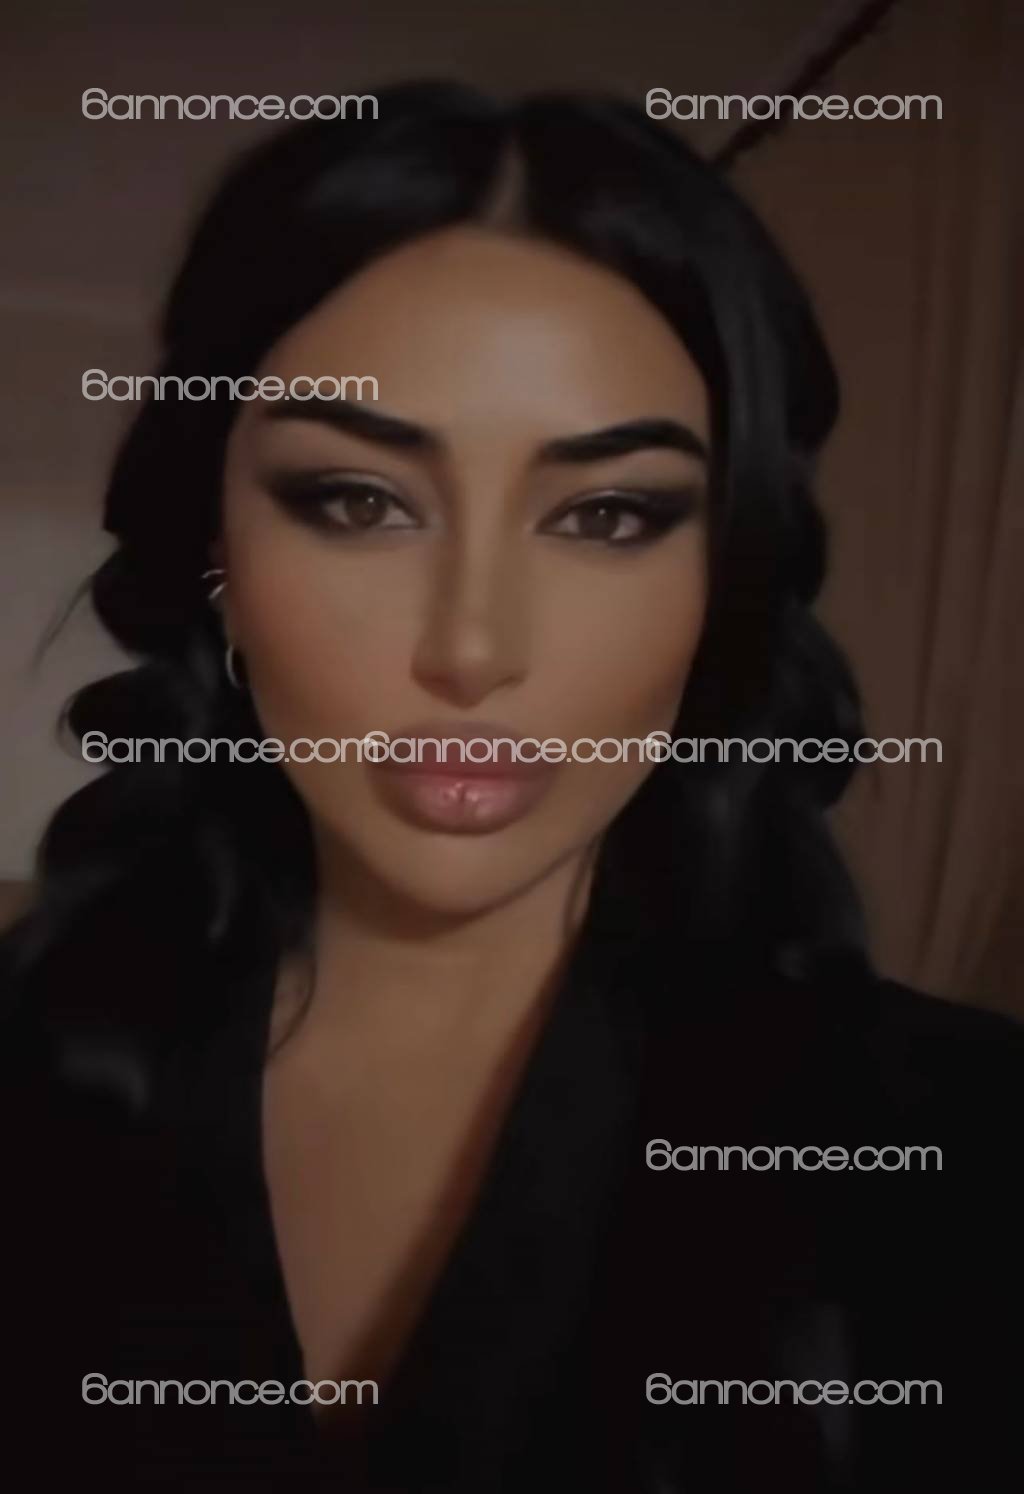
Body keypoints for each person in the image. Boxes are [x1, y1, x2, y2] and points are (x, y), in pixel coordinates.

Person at [1, 81, 1020, 1492]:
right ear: (215, 553)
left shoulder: (978, 1151)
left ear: (722, 584)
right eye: (357, 500)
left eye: (607, 514)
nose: (474, 649)